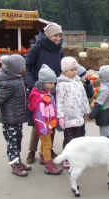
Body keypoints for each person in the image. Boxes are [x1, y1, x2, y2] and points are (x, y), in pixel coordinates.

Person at [25, 22, 64, 164]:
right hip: (38, 92)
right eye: (55, 35)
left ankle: (47, 149)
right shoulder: (37, 48)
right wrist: (32, 85)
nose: (58, 38)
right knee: (39, 122)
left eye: (60, 36)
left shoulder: (59, 50)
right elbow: (27, 68)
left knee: (51, 122)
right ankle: (32, 151)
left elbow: (62, 68)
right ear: (48, 35)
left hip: (53, 90)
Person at [0, 55, 31, 177]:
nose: (25, 67)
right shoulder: (9, 84)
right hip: (10, 119)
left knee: (18, 140)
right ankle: (14, 165)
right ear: (16, 69)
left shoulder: (18, 78)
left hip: (17, 118)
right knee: (13, 142)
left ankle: (17, 161)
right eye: (23, 66)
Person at [28, 64, 63, 175]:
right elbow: (39, 114)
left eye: (54, 83)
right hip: (43, 124)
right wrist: (44, 126)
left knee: (44, 143)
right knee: (48, 144)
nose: (53, 85)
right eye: (50, 83)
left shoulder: (45, 92)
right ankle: (49, 165)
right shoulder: (39, 96)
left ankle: (43, 157)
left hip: (48, 123)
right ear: (43, 82)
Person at [56, 57, 91, 168]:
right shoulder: (61, 84)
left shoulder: (78, 82)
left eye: (75, 69)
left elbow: (84, 97)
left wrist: (87, 111)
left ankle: (75, 157)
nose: (74, 72)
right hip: (68, 117)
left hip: (78, 116)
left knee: (77, 139)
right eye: (72, 70)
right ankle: (66, 157)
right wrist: (60, 117)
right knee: (68, 139)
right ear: (64, 71)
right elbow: (59, 102)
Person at [89, 65, 109, 136]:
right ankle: (105, 147)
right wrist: (91, 115)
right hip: (105, 115)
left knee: (108, 134)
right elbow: (98, 103)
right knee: (105, 136)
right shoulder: (105, 89)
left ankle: (108, 146)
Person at [77, 64, 93, 137]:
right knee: (78, 130)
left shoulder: (84, 85)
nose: (86, 77)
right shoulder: (76, 86)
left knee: (82, 130)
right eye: (84, 75)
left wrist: (88, 85)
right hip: (77, 112)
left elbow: (89, 95)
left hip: (82, 112)